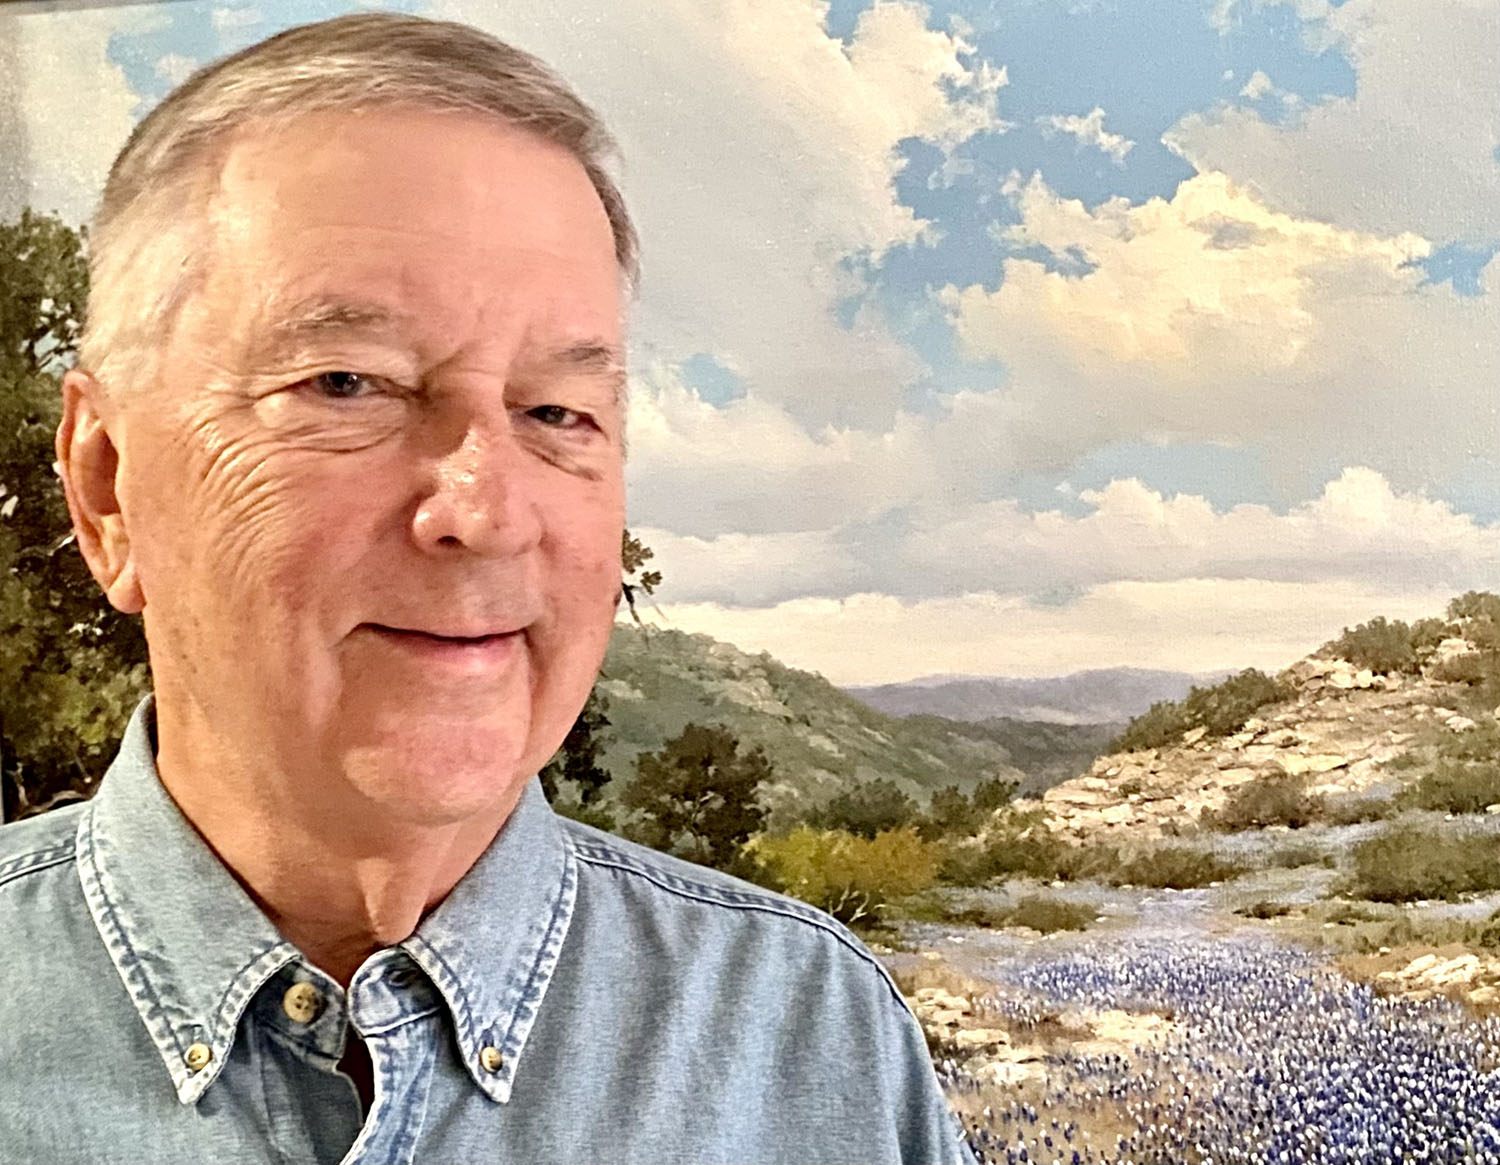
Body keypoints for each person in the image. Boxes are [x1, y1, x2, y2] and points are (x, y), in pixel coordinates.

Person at [0, 12, 975, 1164]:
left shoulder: (809, 1036)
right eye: (347, 383)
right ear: (108, 487)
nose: (483, 509)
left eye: (558, 413)